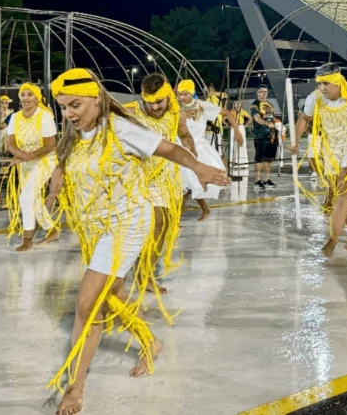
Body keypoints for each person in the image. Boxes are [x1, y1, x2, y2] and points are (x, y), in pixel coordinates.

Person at [44, 68, 230, 415]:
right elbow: (65, 161)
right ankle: (151, 342)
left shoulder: (120, 128)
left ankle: (75, 387)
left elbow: (170, 149)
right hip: (97, 226)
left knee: (87, 304)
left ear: (96, 99)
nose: (69, 113)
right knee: (113, 295)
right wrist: (55, 184)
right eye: (64, 107)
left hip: (126, 224)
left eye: (75, 105)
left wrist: (200, 169)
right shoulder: (75, 134)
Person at [289, 63, 347, 255]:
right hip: (332, 149)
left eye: (326, 83)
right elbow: (304, 118)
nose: (322, 88)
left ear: (338, 81)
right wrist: (295, 141)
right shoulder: (315, 97)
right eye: (320, 83)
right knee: (339, 195)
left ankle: (334, 238)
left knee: (342, 190)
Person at [123, 73, 198, 296]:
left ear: (168, 96)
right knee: (131, 229)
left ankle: (145, 274)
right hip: (133, 178)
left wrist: (192, 155)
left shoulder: (177, 115)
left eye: (159, 102)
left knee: (160, 226)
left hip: (163, 179)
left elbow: (185, 136)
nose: (155, 107)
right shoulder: (130, 113)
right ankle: (120, 272)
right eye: (150, 102)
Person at [175, 79, 241, 220]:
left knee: (190, 184)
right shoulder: (174, 108)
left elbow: (228, 113)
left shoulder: (202, 106)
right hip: (179, 149)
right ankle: (201, 210)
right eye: (180, 94)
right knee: (185, 184)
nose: (182, 97)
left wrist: (237, 132)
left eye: (186, 94)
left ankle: (179, 216)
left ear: (192, 92)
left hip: (197, 151)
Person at [5, 83, 59, 251]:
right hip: (25, 162)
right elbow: (10, 143)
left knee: (26, 197)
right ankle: (52, 230)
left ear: (37, 98)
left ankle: (27, 239)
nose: (26, 98)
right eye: (23, 94)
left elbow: (50, 145)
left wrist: (28, 156)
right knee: (33, 198)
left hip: (45, 160)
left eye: (30, 94)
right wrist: (22, 155)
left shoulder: (44, 116)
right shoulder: (15, 117)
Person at [249, 85, 278, 190]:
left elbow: (272, 118)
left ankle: (266, 180)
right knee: (259, 158)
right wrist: (266, 123)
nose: (264, 93)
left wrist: (278, 124)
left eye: (266, 91)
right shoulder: (255, 105)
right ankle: (257, 181)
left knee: (269, 159)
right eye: (262, 91)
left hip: (271, 135)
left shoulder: (269, 105)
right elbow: (257, 118)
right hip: (260, 135)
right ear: (257, 93)